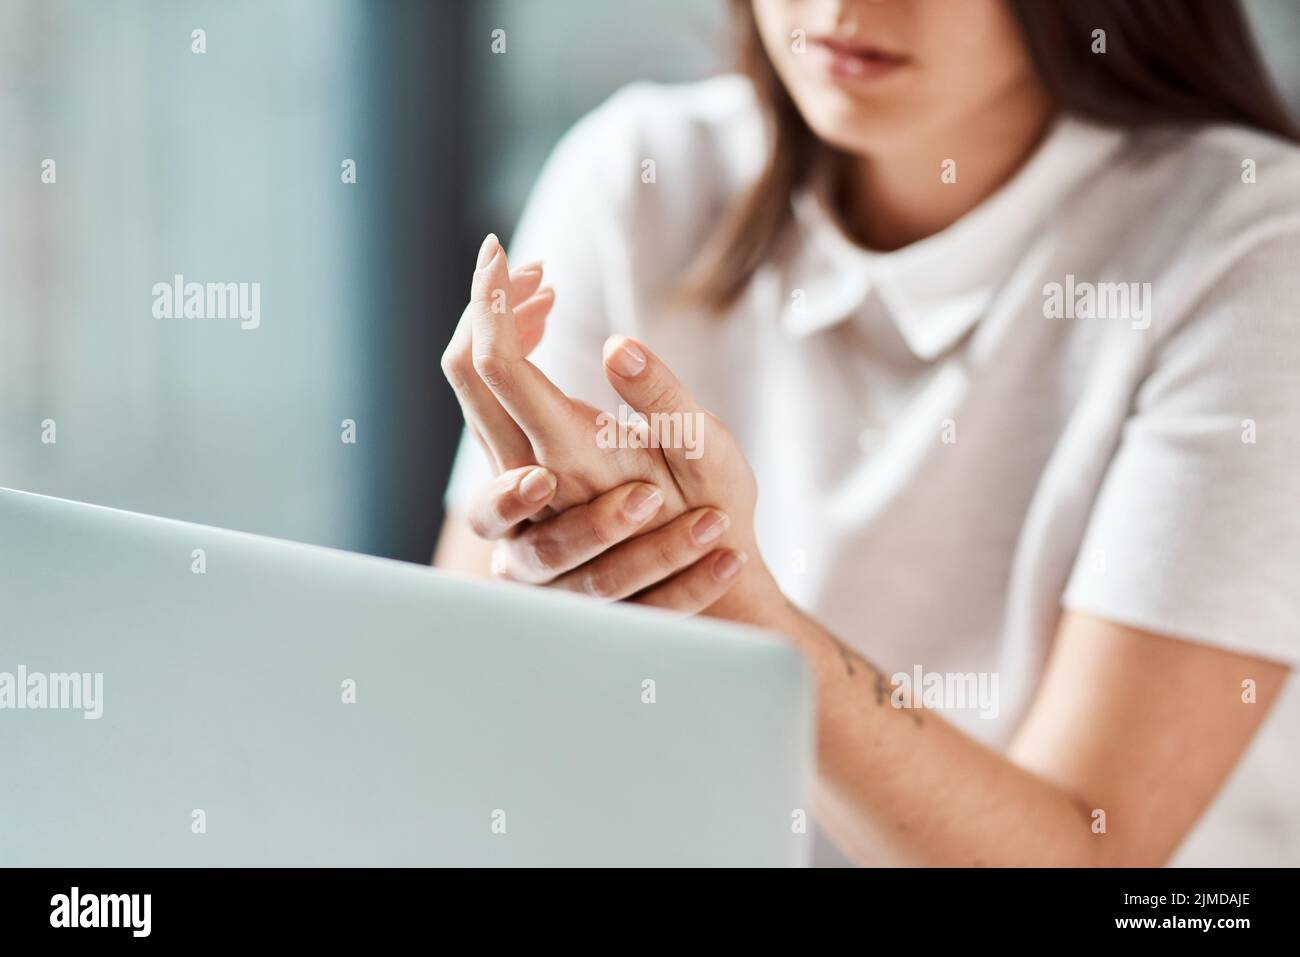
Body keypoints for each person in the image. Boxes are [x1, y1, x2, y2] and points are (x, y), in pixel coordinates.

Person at [435, 0, 1300, 866]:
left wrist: (721, 590)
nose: (843, 10)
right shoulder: (638, 175)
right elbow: (464, 713)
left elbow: (1085, 856)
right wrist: (561, 555)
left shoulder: (1254, 244)